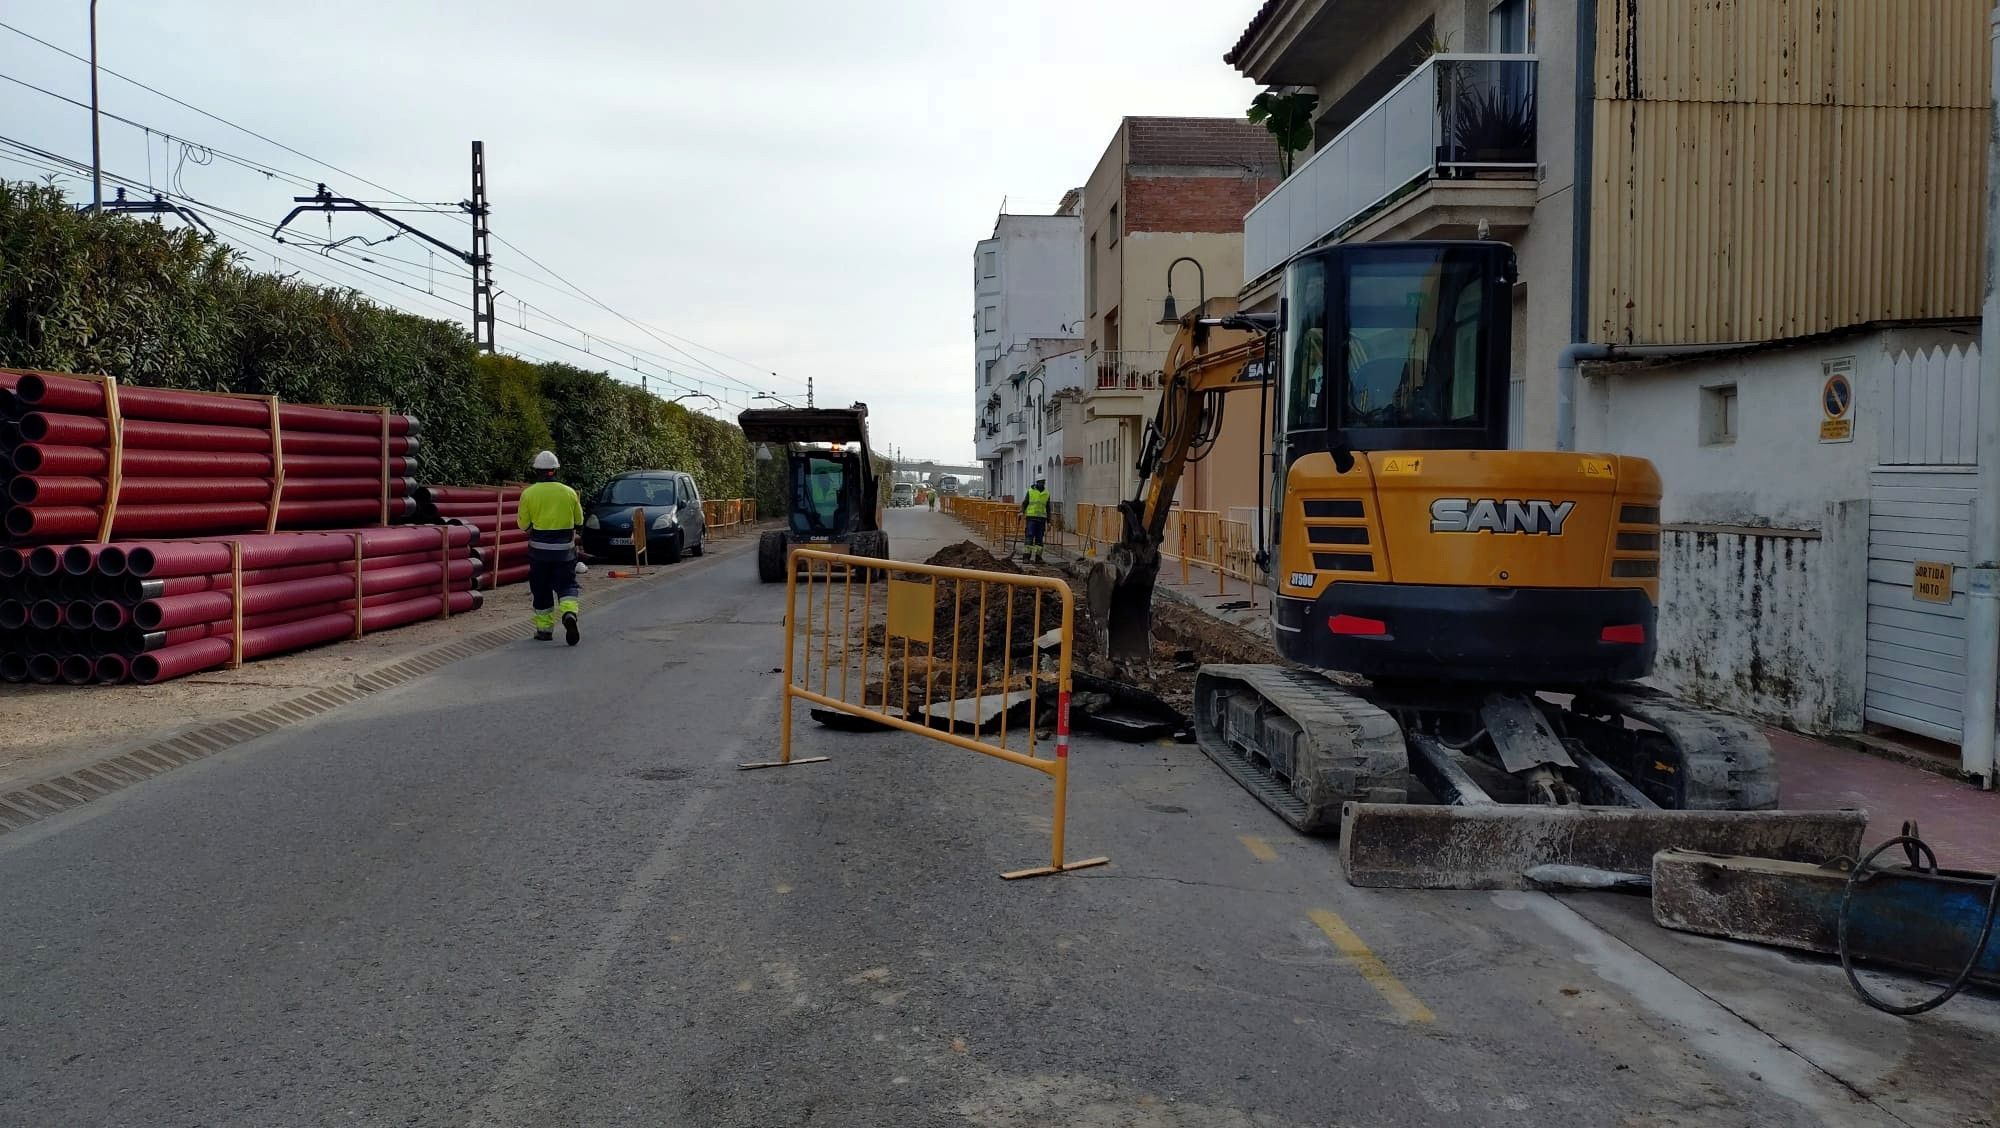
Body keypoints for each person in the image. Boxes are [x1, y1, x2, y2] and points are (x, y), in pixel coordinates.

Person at [516, 449, 584, 645]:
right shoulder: (569, 492)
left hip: (539, 553)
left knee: (542, 588)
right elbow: (578, 520)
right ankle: (569, 614)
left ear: (536, 471)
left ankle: (544, 630)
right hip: (565, 552)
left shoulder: (528, 493)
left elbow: (523, 524)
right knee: (567, 585)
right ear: (556, 470)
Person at [1021, 476, 1050, 560]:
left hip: (1041, 519)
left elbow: (1048, 508)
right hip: (1031, 518)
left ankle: (1038, 557)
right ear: (1037, 482)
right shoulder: (1030, 492)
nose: (1042, 484)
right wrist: (1021, 511)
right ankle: (1026, 557)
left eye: (1043, 482)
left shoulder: (1046, 493)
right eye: (1040, 482)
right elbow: (1025, 503)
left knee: (1039, 539)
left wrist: (1049, 521)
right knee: (1029, 537)